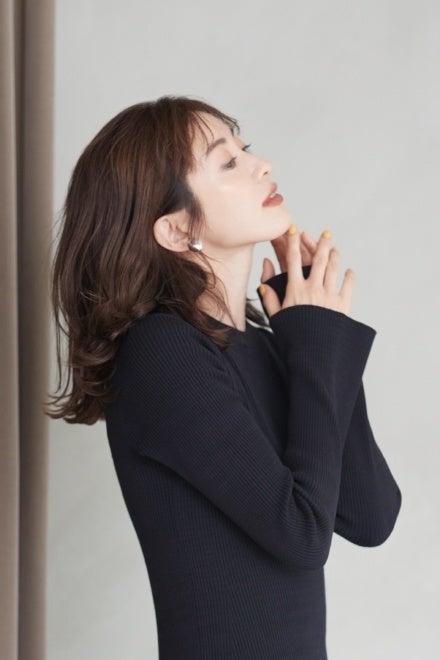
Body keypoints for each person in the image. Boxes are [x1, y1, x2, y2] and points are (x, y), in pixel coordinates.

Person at [46, 95, 402, 659]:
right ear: (175, 229)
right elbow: (302, 534)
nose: (262, 165)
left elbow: (371, 515)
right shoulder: (161, 351)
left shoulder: (268, 343)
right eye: (228, 162)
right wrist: (315, 341)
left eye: (246, 149)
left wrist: (318, 336)